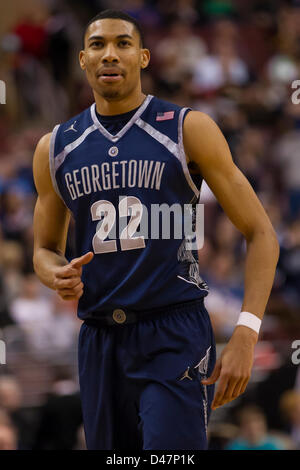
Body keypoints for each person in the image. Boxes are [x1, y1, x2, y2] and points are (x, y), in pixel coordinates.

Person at [32, 9, 279, 450]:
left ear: (143, 57)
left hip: (174, 330)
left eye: (123, 44)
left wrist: (246, 331)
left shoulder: (188, 129)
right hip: (99, 337)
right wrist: (54, 273)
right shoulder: (56, 146)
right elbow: (43, 249)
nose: (110, 54)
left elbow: (261, 233)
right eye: (98, 45)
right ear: (82, 61)